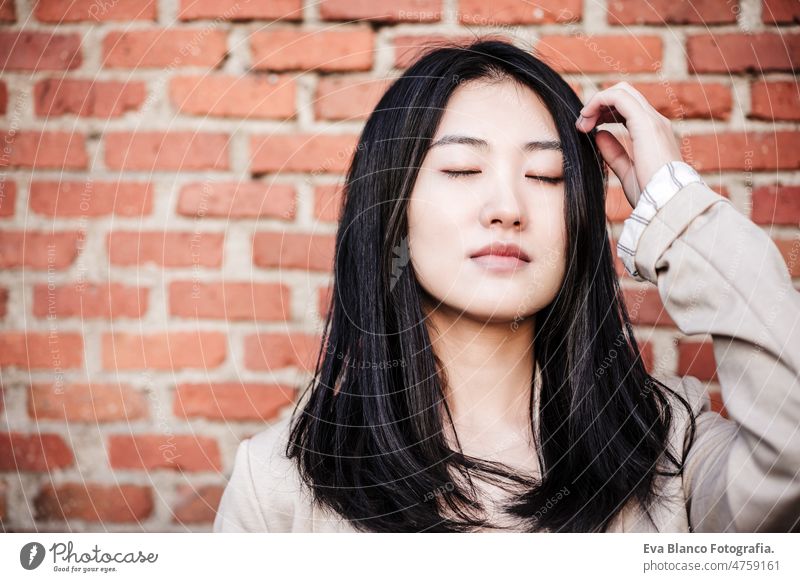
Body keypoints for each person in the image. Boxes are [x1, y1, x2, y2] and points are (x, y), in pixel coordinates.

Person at [213, 39, 800, 533]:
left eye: (544, 176)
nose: (506, 207)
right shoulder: (277, 488)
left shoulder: (674, 449)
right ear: (393, 210)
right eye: (463, 170)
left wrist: (677, 209)